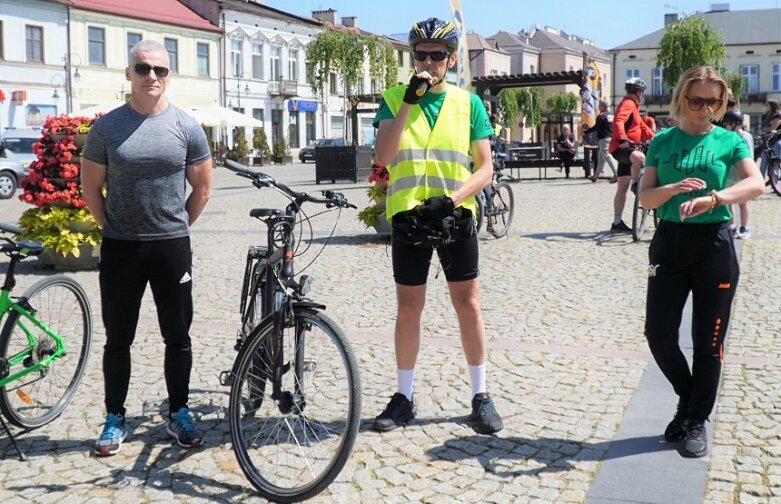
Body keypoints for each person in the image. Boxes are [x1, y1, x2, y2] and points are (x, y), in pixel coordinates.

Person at [370, 17, 502, 435]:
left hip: (455, 215)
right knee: (409, 309)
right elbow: (384, 157)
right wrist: (409, 101)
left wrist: (455, 200)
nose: (428, 62)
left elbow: (486, 168)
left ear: (451, 58)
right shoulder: (393, 98)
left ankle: (481, 395)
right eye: (420, 54)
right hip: (408, 217)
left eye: (437, 55)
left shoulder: (469, 103)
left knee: (469, 305)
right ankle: (403, 397)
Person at [81, 39, 213, 456]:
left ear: (169, 75)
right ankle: (114, 417)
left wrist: (173, 228)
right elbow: (90, 187)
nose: (151, 76)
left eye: (159, 70)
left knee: (178, 336)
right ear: (128, 74)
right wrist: (112, 226)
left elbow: (203, 189)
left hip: (171, 247)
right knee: (118, 339)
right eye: (142, 69)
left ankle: (179, 412)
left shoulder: (186, 126)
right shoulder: (106, 128)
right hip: (121, 248)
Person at [638, 66, 763, 458]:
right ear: (682, 98)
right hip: (670, 242)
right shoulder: (662, 140)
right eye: (696, 100)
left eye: (713, 101)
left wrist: (716, 198)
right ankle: (689, 398)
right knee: (658, 335)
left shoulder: (730, 141)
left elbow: (755, 183)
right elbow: (645, 198)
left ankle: (696, 420)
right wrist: (672, 189)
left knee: (708, 344)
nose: (703, 108)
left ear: (721, 102)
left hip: (714, 245)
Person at [608, 78, 655, 232]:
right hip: (623, 147)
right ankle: (637, 184)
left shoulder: (633, 107)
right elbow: (619, 121)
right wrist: (622, 138)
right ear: (639, 92)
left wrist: (657, 138)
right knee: (640, 158)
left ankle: (617, 222)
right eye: (642, 92)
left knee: (622, 186)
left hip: (627, 150)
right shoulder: (627, 104)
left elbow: (643, 128)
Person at [721, 110, 754, 239]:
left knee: (743, 201)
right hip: (729, 174)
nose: (725, 127)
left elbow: (748, 156)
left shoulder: (744, 137)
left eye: (726, 124)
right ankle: (732, 225)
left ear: (733, 124)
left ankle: (744, 228)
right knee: (729, 201)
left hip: (741, 175)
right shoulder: (729, 136)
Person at [585, 100, 618, 183]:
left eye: (599, 105)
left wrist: (587, 131)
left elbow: (596, 127)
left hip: (604, 139)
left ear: (602, 106)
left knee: (607, 156)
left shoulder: (601, 116)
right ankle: (595, 176)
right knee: (601, 159)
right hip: (611, 137)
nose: (598, 107)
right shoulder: (611, 115)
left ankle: (617, 174)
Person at [759, 100, 781, 181]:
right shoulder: (768, 115)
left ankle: (774, 186)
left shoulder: (778, 115)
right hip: (767, 142)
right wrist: (764, 129)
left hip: (776, 141)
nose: (766, 106)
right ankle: (760, 184)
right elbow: (763, 127)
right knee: (763, 164)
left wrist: (764, 129)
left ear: (772, 105)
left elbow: (773, 128)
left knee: (775, 164)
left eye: (767, 105)